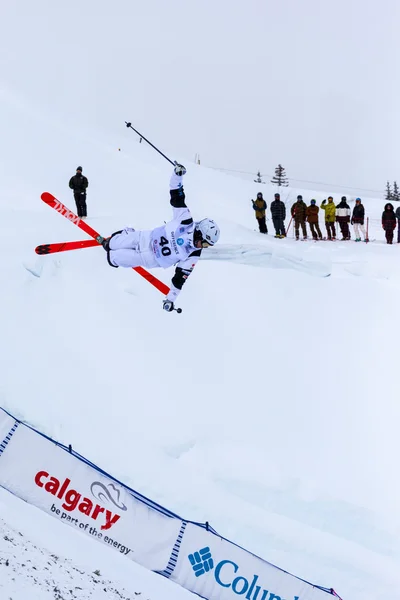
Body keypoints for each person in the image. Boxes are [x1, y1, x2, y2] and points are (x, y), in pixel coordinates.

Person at [102, 164, 220, 311]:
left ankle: (115, 251)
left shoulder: (194, 254)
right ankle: (122, 235)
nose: (203, 246)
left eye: (207, 246)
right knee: (111, 244)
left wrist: (170, 299)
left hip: (149, 258)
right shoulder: (185, 220)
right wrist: (178, 174)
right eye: (204, 243)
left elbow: (179, 279)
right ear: (200, 232)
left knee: (113, 258)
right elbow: (176, 194)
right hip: (144, 238)